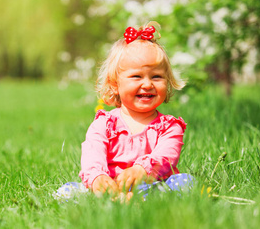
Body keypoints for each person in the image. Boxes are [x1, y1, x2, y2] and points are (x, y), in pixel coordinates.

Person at [54, 22, 193, 201]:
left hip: (151, 187)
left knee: (185, 183)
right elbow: (92, 153)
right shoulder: (104, 124)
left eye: (156, 76)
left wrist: (142, 170)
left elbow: (166, 157)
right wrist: (98, 178)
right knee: (67, 191)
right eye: (137, 76)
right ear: (115, 84)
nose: (148, 84)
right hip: (110, 188)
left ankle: (142, 202)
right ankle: (110, 200)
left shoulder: (169, 127)